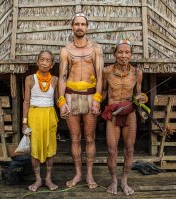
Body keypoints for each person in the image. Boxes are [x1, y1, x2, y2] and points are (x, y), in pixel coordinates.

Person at [58, 12, 103, 188]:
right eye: (76, 24)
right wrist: (61, 101)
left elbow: (100, 76)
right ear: (72, 27)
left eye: (83, 24)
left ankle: (90, 176)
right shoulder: (66, 50)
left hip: (91, 95)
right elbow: (62, 77)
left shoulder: (96, 49)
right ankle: (77, 174)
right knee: (75, 138)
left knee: (90, 138)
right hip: (71, 95)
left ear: (87, 27)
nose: (79, 27)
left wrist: (98, 99)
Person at [101, 36, 146, 195]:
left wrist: (141, 98)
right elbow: (104, 91)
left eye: (127, 52)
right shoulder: (107, 71)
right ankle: (114, 180)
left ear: (131, 55)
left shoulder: (137, 73)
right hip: (113, 114)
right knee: (112, 150)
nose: (123, 55)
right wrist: (95, 102)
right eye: (120, 52)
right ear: (114, 55)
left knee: (129, 149)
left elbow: (138, 95)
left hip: (130, 113)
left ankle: (124, 181)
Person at [22, 50, 59, 192]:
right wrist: (24, 122)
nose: (44, 63)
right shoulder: (30, 79)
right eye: (42, 60)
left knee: (50, 148)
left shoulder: (55, 80)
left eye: (47, 60)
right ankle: (38, 179)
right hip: (34, 116)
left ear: (52, 64)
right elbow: (25, 102)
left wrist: (64, 107)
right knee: (35, 148)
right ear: (37, 62)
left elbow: (57, 100)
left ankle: (48, 178)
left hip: (49, 115)